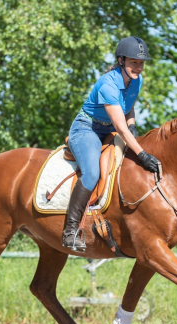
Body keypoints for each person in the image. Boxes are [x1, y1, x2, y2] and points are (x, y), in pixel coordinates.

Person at [63, 36, 160, 252]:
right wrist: (142, 153)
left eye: (141, 62)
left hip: (110, 128)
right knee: (91, 174)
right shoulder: (107, 84)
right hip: (86, 129)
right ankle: (70, 230)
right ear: (121, 61)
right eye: (134, 62)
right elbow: (121, 127)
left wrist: (133, 124)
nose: (139, 67)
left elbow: (129, 108)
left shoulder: (136, 80)